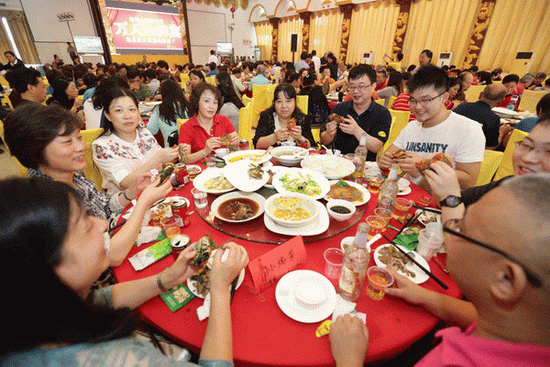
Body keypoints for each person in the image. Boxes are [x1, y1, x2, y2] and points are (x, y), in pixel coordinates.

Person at [0, 176, 249, 366]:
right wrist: (219, 289)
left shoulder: (36, 313)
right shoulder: (110, 359)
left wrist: (168, 278)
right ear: (44, 268)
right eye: (84, 224)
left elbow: (103, 299)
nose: (100, 225)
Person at [330, 173, 550, 366]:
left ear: (506, 280)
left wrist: (349, 360)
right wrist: (427, 297)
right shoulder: (527, 331)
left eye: (461, 228)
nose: (449, 227)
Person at [3, 104, 172, 267]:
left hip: (118, 237)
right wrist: (143, 202)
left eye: (79, 137)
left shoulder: (74, 175)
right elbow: (109, 255)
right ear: (35, 151)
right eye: (68, 142)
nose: (81, 147)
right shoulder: (47, 202)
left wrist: (130, 193)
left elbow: (105, 206)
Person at [378, 64, 485, 191]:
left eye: (426, 100)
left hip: (440, 203)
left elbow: (468, 181)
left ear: (444, 97)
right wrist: (384, 160)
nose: (417, 107)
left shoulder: (468, 129)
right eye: (413, 101)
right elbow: (386, 156)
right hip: (406, 196)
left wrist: (424, 167)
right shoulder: (412, 127)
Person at [93, 88, 180, 193]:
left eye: (132, 109)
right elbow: (126, 183)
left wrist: (174, 155)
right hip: (129, 204)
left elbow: (162, 163)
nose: (127, 116)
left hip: (158, 192)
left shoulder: (143, 132)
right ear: (108, 115)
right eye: (119, 110)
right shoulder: (102, 146)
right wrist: (158, 159)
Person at [320, 64, 391, 159]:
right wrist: (329, 134)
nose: (355, 91)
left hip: (364, 167)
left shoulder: (382, 113)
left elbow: (376, 147)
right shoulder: (339, 109)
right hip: (338, 162)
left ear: (373, 86)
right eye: (352, 87)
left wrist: (356, 131)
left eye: (361, 87)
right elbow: (324, 140)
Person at [178, 82, 239, 162]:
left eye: (215, 102)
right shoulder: (186, 127)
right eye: (207, 101)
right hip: (200, 171)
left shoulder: (224, 120)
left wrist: (235, 143)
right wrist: (205, 151)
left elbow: (234, 147)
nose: (211, 106)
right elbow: (184, 160)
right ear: (197, 102)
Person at [253, 83, 315, 149]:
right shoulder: (266, 117)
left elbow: (312, 147)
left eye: (288, 101)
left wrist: (299, 138)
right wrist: (275, 137)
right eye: (279, 101)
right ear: (274, 103)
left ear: (295, 102)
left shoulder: (303, 118)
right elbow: (257, 144)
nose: (284, 106)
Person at [454, 83, 508, 149]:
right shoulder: (493, 119)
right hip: (472, 152)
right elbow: (490, 147)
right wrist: (502, 132)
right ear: (500, 101)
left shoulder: (462, 106)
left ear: (480, 94)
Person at [147, 79, 191, 147]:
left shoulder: (159, 109)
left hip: (170, 151)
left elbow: (151, 130)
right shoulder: (188, 107)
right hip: (190, 150)